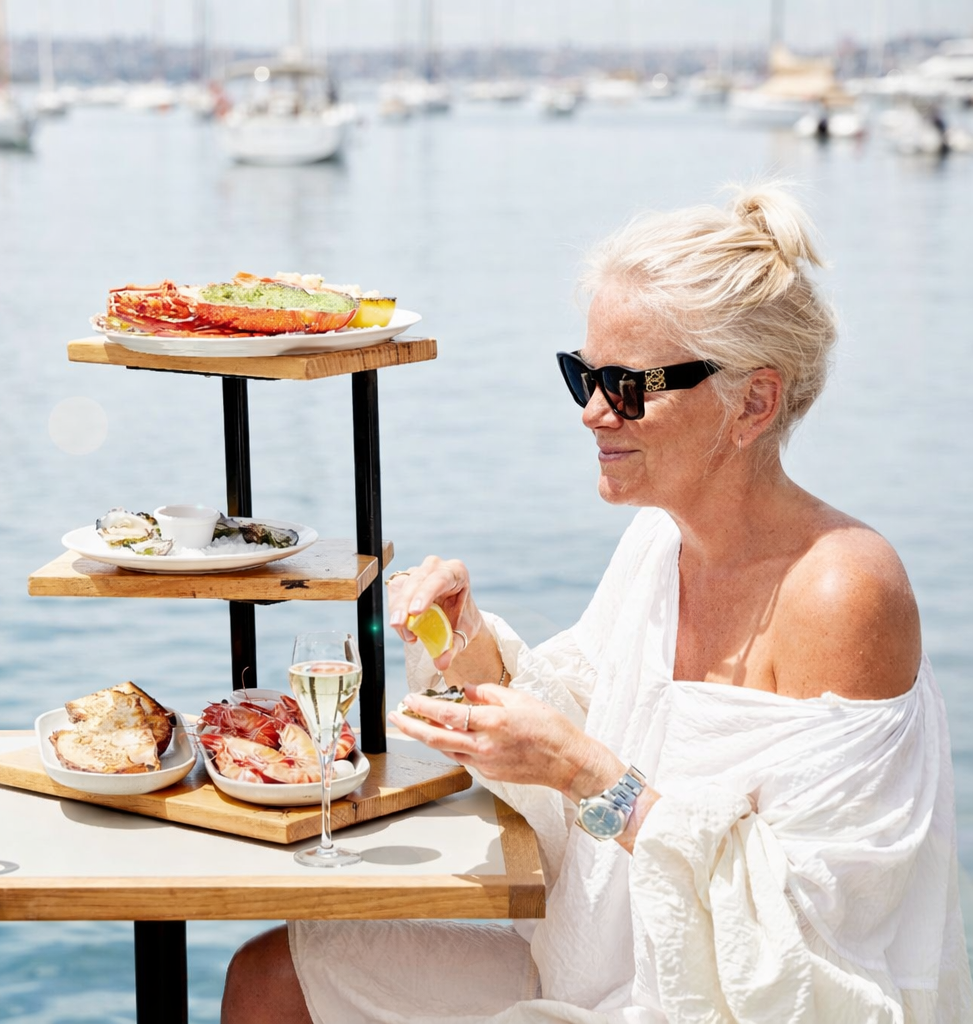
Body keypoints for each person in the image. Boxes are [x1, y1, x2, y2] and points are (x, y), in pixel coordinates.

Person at [221, 185, 973, 1023]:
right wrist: (467, 645)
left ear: (754, 402)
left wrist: (578, 772)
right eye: (583, 374)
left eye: (627, 384)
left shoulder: (843, 591)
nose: (591, 412)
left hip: (710, 1001)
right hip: (602, 964)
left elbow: (816, 936)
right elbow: (590, 712)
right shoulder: (661, 542)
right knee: (273, 978)